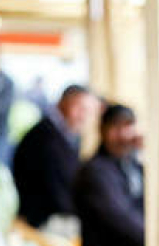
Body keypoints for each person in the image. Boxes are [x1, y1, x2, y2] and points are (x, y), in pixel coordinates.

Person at [11, 84, 100, 228]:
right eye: (80, 109)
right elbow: (58, 195)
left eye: (89, 112)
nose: (84, 117)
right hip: (43, 222)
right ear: (63, 102)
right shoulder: (45, 139)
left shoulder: (63, 135)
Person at [75, 103, 146, 246]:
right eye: (116, 127)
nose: (122, 135)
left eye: (127, 127)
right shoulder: (95, 172)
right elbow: (122, 220)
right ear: (102, 130)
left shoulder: (133, 164)